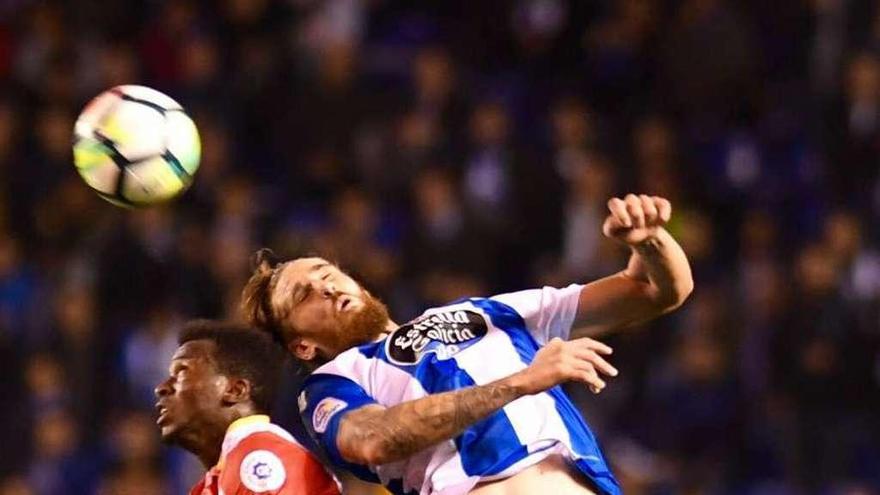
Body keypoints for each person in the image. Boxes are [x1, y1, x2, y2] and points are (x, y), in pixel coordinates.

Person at [241, 194, 693, 495]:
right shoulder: (330, 384)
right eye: (304, 295)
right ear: (302, 347)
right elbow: (374, 439)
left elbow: (657, 292)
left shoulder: (481, 312)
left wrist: (649, 240)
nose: (326, 287)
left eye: (326, 272)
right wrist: (521, 382)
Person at [154, 320, 340, 495]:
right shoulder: (212, 483)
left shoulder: (260, 455)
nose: (161, 388)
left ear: (236, 390)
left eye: (182, 371)